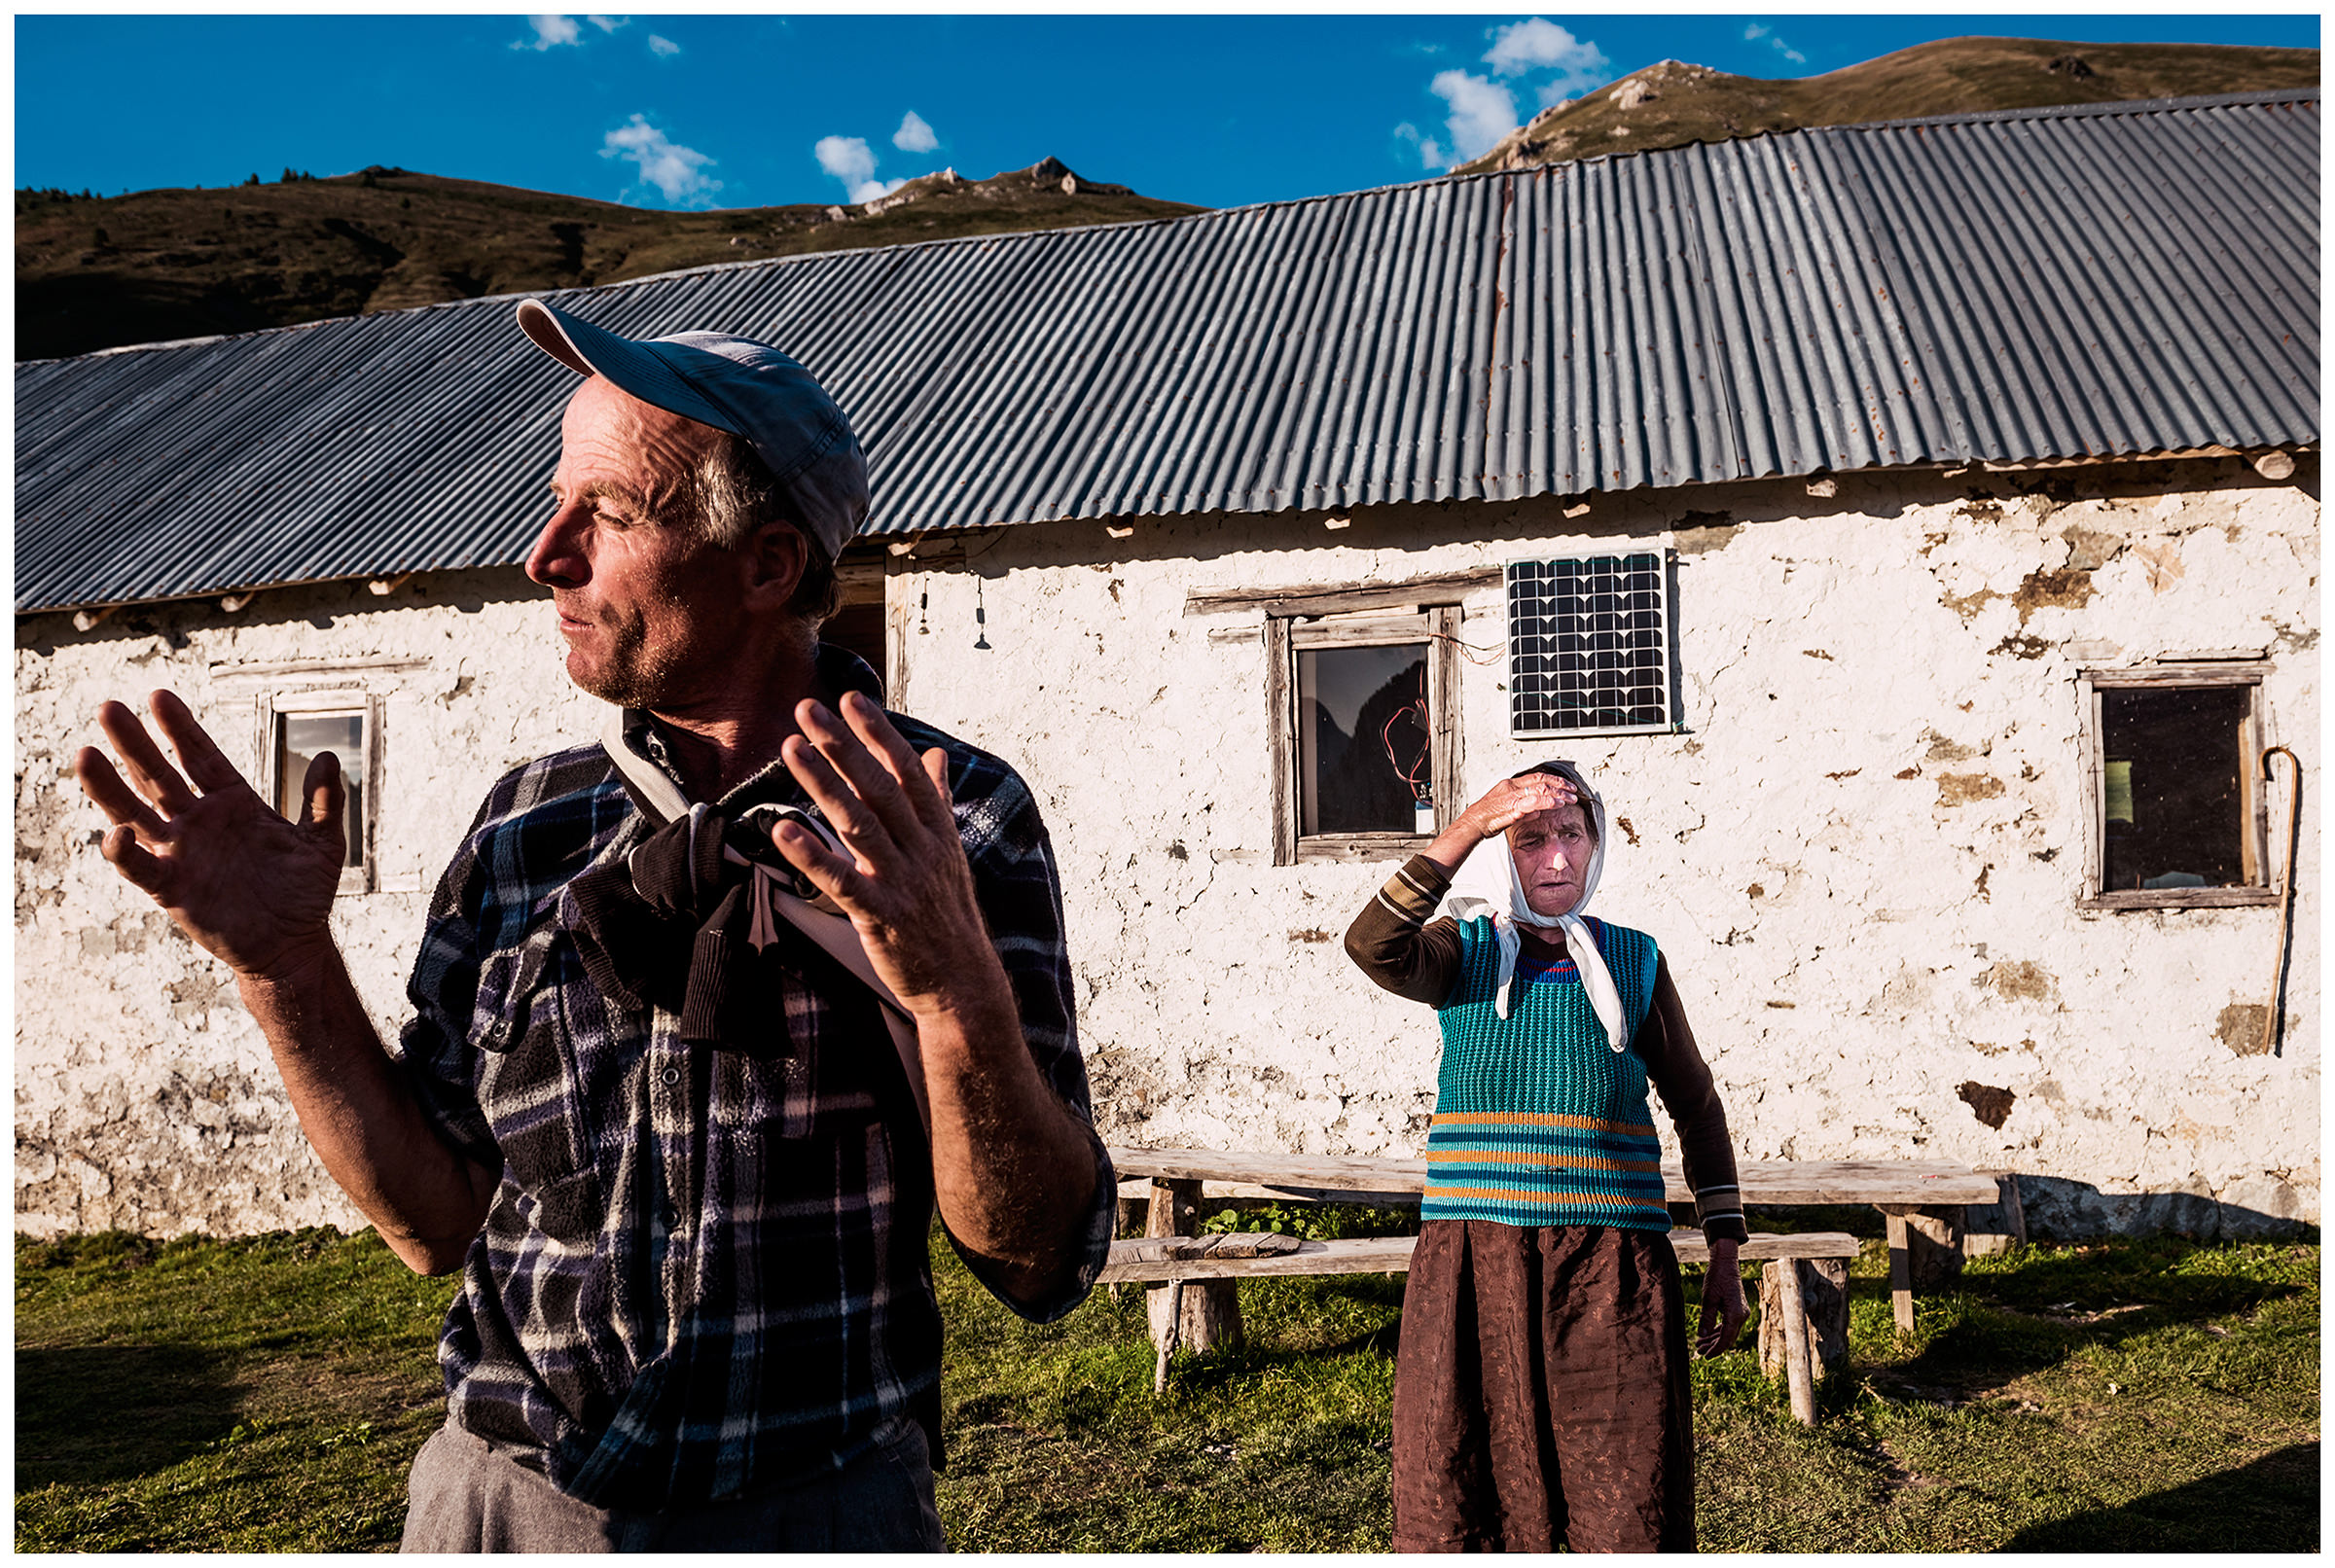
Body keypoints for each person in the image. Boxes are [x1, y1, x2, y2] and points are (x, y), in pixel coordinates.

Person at [73, 300, 1116, 1551]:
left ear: (769, 564)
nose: (544, 554)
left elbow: (1041, 1259)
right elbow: (438, 1221)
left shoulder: (947, 823)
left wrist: (955, 999)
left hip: (814, 1513)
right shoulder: (525, 828)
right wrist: (283, 966)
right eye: (558, 501)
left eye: (609, 516)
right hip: (499, 1510)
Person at [1344, 761, 1749, 1552]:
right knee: (1469, 1483)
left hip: (1613, 1273)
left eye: (1572, 834)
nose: (1556, 859)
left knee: (1625, 1497)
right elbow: (1372, 943)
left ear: (1597, 846)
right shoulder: (1461, 954)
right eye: (1530, 840)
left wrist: (1727, 1252)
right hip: (1474, 1264)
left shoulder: (1633, 961)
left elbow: (1697, 1106)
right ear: (1503, 853)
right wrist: (1468, 824)